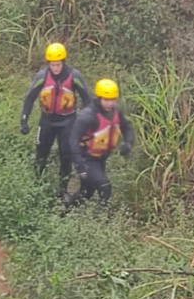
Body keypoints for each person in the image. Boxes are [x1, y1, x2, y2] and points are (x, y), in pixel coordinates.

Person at [19, 42, 93, 198]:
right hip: (47, 120)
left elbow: (87, 99)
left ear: (63, 62)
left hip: (68, 121)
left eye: (58, 64)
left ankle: (62, 190)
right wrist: (24, 120)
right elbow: (30, 98)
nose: (56, 68)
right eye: (52, 65)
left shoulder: (74, 75)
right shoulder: (42, 76)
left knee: (66, 155)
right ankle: (36, 186)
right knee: (41, 154)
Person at [65, 78, 135, 206]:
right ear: (99, 98)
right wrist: (80, 165)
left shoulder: (117, 111)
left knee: (87, 192)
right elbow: (73, 140)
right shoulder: (88, 116)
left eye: (113, 100)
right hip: (86, 158)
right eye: (106, 100)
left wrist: (128, 143)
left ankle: (65, 210)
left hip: (101, 158)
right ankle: (102, 214)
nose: (110, 103)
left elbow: (127, 128)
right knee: (105, 187)